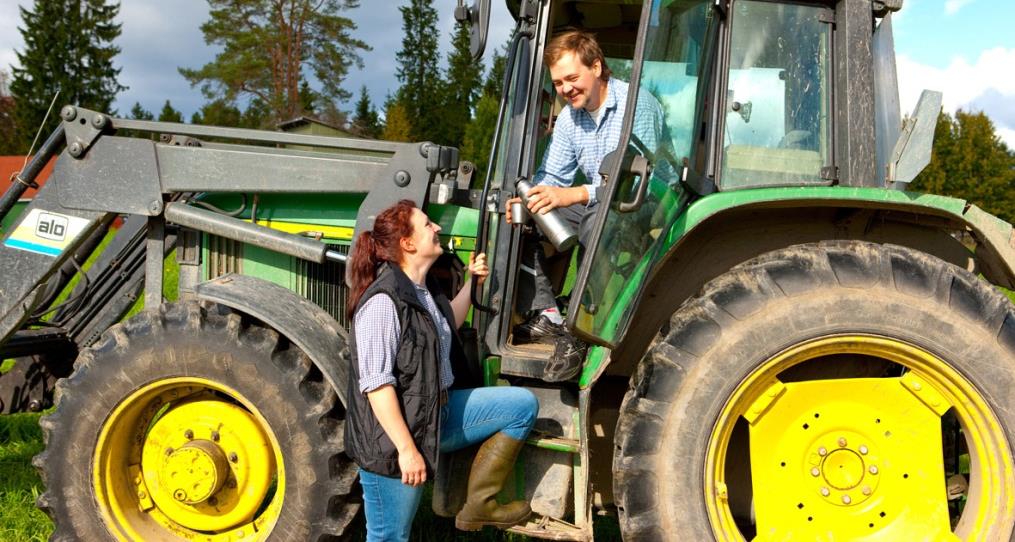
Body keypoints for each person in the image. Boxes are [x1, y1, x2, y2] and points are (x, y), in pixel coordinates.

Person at [344, 200, 540, 541]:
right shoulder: (383, 302)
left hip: (436, 415)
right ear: (407, 244)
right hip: (391, 440)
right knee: (389, 536)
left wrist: (470, 284)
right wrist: (407, 451)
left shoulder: (421, 289)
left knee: (521, 406)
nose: (436, 228)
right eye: (427, 225)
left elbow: (448, 323)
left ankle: (480, 504)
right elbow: (376, 386)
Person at [507, 29, 665, 381]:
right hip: (600, 199)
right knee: (528, 217)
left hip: (647, 201)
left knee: (599, 220)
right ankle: (547, 314)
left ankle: (581, 332)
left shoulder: (636, 105)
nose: (565, 89)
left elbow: (633, 181)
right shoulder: (569, 118)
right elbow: (551, 178)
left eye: (572, 78)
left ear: (597, 67)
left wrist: (574, 194)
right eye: (559, 82)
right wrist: (529, 200)